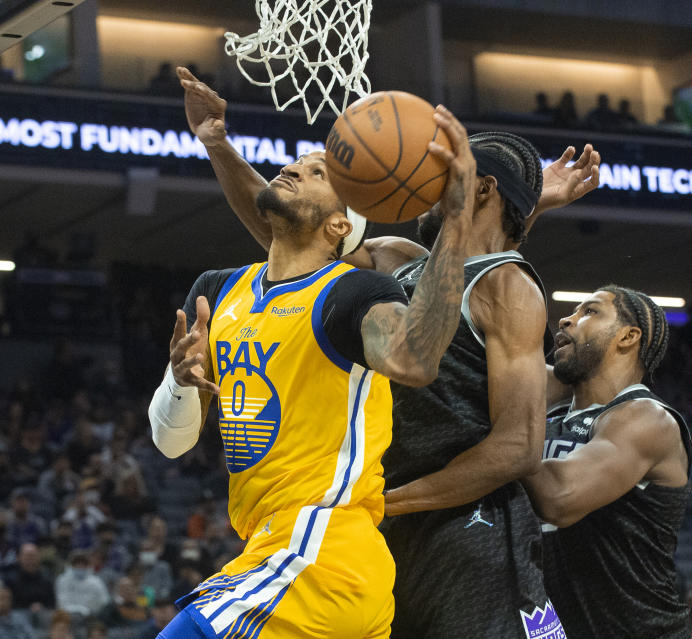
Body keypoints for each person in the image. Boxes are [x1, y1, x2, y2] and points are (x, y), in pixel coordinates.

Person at [176, 67, 600, 638]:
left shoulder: (512, 289)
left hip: (463, 535)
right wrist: (219, 148)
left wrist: (383, 500)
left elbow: (518, 448)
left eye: (441, 171)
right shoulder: (399, 257)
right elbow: (293, 239)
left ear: (480, 188)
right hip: (375, 529)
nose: (424, 182)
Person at [149, 70, 478, 638]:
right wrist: (180, 382)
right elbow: (171, 442)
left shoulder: (353, 293)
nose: (297, 166)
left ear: (339, 225)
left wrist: (455, 218)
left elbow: (417, 361)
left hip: (319, 551)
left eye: (319, 170)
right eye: (298, 161)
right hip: (283, 553)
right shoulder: (216, 290)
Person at [523, 287, 692, 638]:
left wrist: (505, 438)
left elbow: (559, 497)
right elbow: (483, 360)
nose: (567, 319)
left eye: (591, 312)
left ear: (628, 337)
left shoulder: (646, 419)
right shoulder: (557, 405)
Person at [55, 550, 110, 617]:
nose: (80, 567)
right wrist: (73, 609)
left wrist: (88, 611)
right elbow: (61, 601)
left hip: (90, 616)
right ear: (71, 565)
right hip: (66, 615)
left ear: (88, 565)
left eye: (83, 564)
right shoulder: (62, 580)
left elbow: (104, 601)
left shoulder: (96, 582)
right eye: (77, 564)